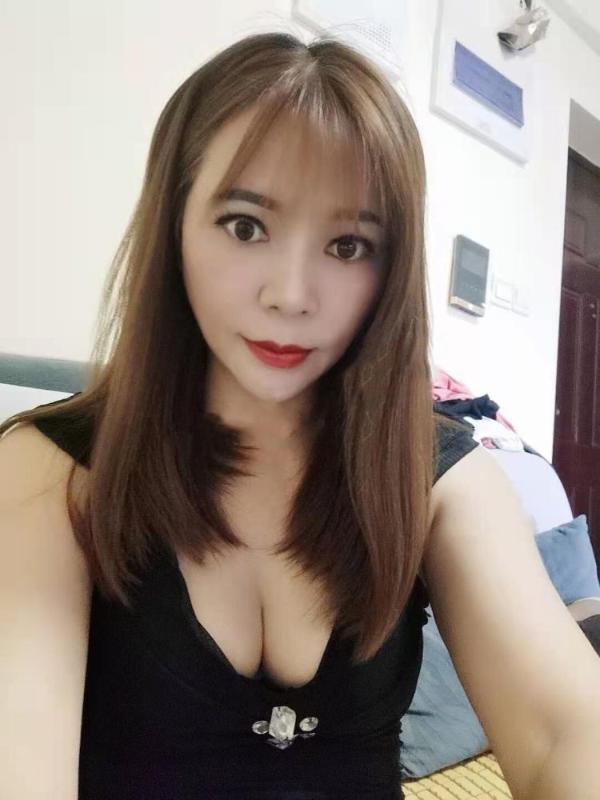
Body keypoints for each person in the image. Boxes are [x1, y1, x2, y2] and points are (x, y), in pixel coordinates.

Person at [1, 30, 599, 800]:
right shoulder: (48, 473)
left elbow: (563, 732)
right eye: (245, 226)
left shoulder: (442, 478)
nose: (290, 295)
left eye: (348, 245)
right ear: (174, 225)